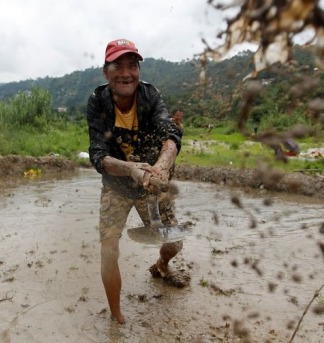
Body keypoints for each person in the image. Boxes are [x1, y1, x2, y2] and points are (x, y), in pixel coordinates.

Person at [86, 38, 184, 324]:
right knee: (108, 249)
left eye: (132, 65)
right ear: (106, 72)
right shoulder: (97, 102)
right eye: (118, 66)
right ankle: (116, 315)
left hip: (151, 183)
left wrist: (161, 168)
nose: (125, 73)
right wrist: (130, 169)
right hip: (116, 184)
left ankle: (162, 266)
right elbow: (98, 155)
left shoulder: (150, 96)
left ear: (139, 71)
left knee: (173, 242)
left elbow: (171, 134)